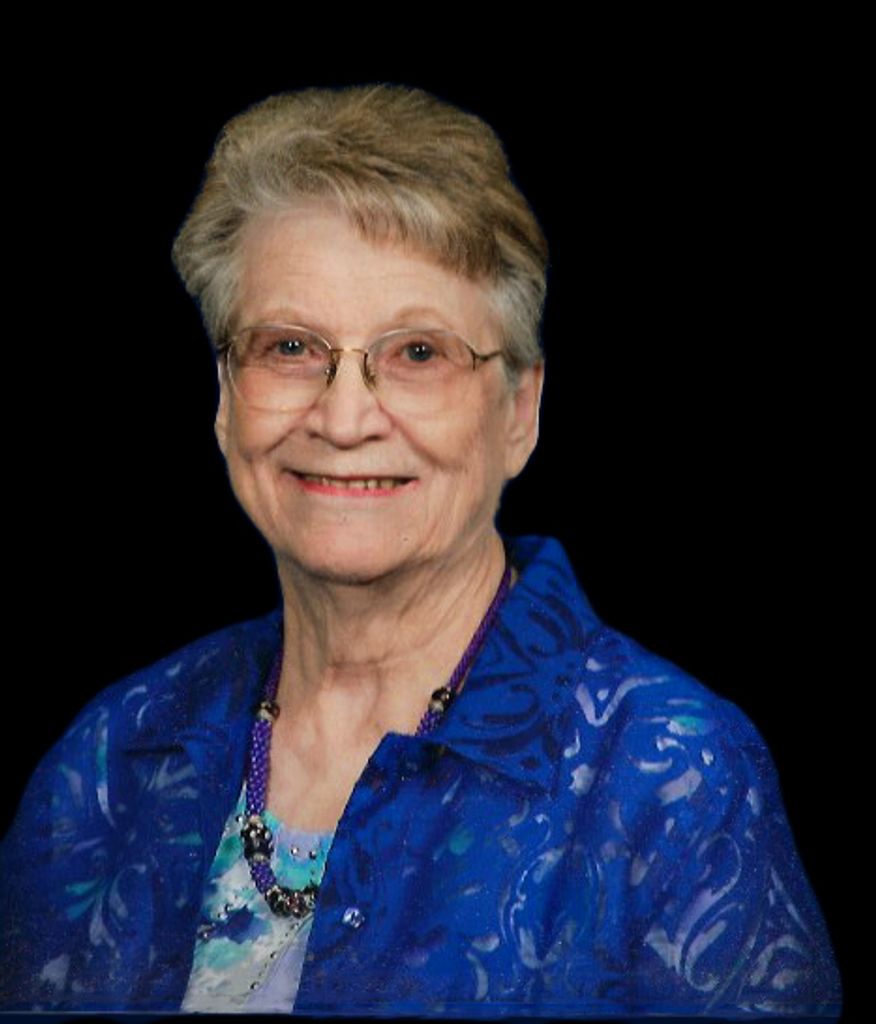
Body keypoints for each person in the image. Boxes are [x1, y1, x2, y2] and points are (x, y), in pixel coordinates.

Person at [0, 85, 841, 1018]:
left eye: (417, 354)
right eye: (290, 347)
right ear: (227, 397)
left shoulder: (672, 778)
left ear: (519, 410)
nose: (344, 419)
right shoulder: (114, 755)